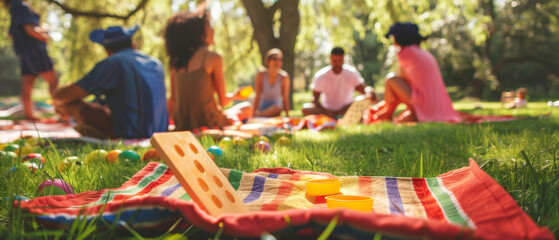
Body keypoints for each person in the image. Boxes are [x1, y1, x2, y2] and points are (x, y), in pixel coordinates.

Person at [52, 25, 168, 139]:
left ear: (107, 50)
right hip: (159, 131)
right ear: (132, 44)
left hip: (130, 132)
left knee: (69, 103)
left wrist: (59, 103)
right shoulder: (156, 63)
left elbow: (65, 95)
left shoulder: (113, 63)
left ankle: (102, 132)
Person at [164, 8, 252, 131]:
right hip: (210, 121)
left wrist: (178, 124)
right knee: (247, 108)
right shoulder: (212, 58)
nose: (213, 30)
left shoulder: (177, 63)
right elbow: (223, 101)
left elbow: (172, 101)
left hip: (183, 124)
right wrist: (236, 95)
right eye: (209, 26)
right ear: (199, 33)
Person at [364, 22, 461, 123]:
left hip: (423, 102)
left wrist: (387, 105)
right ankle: (394, 112)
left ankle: (388, 113)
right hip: (436, 105)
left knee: (390, 79)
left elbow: (400, 82)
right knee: (402, 114)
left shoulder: (406, 53)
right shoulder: (425, 53)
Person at [5, 0, 59, 120]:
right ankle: (62, 114)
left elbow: (11, 33)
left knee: (27, 85)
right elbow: (30, 29)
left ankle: (30, 115)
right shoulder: (21, 6)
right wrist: (44, 33)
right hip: (36, 51)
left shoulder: (14, 7)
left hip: (24, 52)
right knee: (53, 82)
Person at [302, 47, 375, 118]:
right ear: (330, 59)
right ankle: (329, 117)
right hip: (326, 111)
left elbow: (364, 90)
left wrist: (369, 92)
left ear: (343, 59)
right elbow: (314, 99)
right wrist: (326, 111)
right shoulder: (321, 76)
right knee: (306, 108)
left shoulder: (351, 73)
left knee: (368, 97)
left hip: (347, 110)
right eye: (334, 61)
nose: (337, 64)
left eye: (340, 60)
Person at [253, 48, 290, 117]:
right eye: (275, 59)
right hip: (262, 105)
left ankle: (259, 115)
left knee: (278, 108)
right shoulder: (261, 75)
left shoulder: (284, 77)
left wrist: (287, 115)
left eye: (280, 59)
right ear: (268, 61)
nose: (278, 62)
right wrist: (253, 114)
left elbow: (285, 97)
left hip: (275, 107)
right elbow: (257, 95)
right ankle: (259, 114)